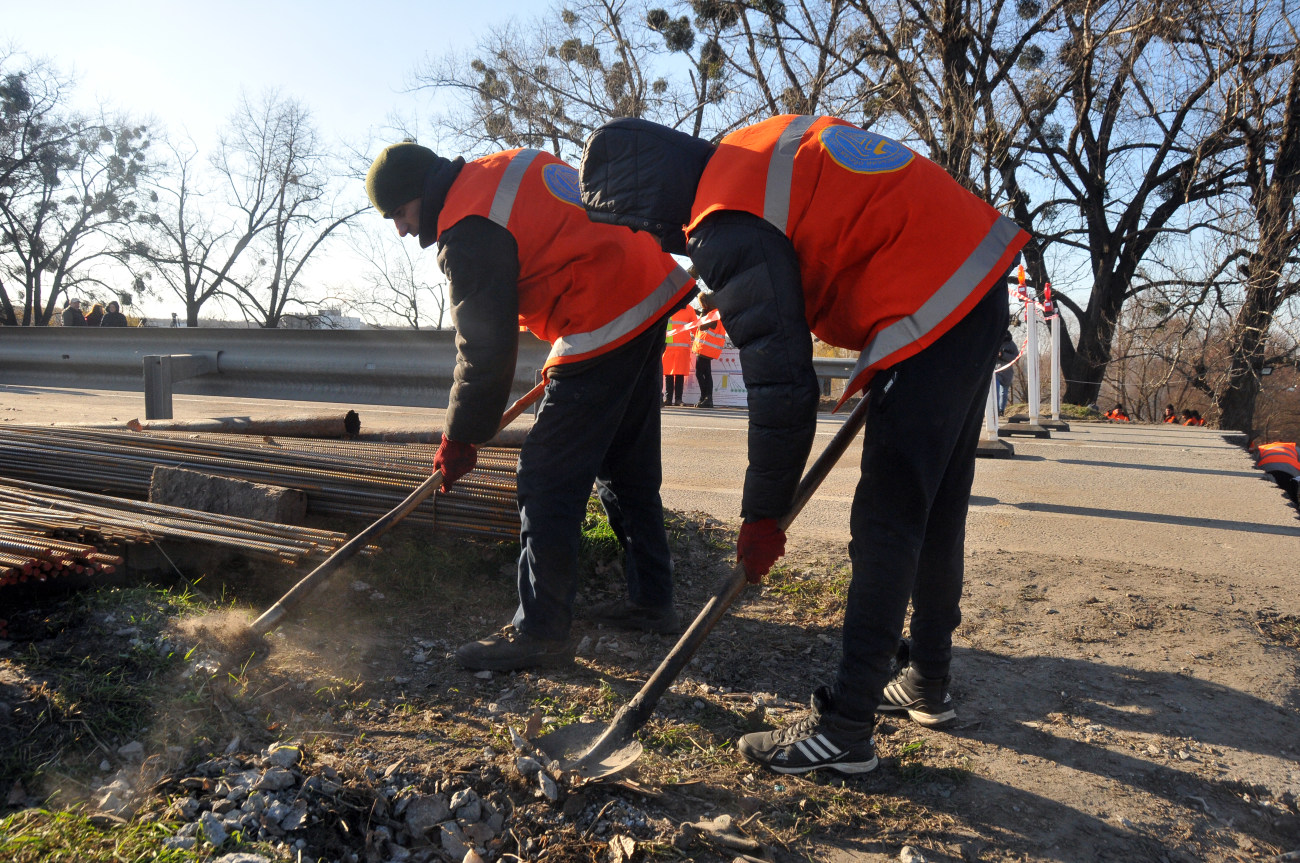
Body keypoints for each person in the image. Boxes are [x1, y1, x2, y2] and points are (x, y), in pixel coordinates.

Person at [580, 114, 1028, 775]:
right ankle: (927, 677)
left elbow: (783, 383)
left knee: (887, 518)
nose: (657, 240)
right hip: (973, 275)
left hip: (933, 293)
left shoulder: (724, 218)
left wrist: (762, 514)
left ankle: (846, 726)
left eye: (641, 223)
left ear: (651, 199)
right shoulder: (753, 155)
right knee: (934, 507)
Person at [365, 140, 694, 672]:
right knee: (626, 466)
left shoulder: (468, 224)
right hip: (647, 287)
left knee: (545, 476)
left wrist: (461, 437)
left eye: (399, 214)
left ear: (421, 193)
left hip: (601, 311)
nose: (401, 230)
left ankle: (542, 633)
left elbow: (486, 347)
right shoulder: (501, 169)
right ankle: (651, 600)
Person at [692, 302, 726, 409]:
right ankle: (706, 398)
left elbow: (701, 326)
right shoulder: (715, 313)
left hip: (705, 349)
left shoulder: (715, 314)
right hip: (705, 349)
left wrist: (702, 312)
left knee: (701, 373)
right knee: (706, 373)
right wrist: (699, 312)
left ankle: (707, 398)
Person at [663, 304, 697, 406]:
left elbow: (695, 328)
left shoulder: (689, 309)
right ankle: (669, 399)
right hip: (668, 346)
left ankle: (678, 399)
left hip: (681, 347)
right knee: (668, 373)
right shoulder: (668, 306)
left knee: (679, 373)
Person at [995, 330, 1018, 415]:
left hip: (1007, 372)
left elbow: (1016, 357)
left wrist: (1003, 355)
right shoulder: (995, 342)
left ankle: (1001, 410)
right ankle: (995, 408)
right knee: (995, 388)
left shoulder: (1011, 344)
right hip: (996, 371)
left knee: (1004, 393)